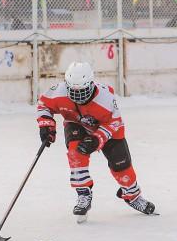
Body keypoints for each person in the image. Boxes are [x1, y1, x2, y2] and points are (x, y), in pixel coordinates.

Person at [36, 62, 156, 221]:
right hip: (76, 124)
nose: (78, 96)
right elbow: (44, 105)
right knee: (75, 153)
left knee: (122, 167)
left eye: (82, 91)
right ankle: (83, 194)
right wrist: (46, 126)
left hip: (107, 129)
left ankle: (132, 196)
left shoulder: (105, 98)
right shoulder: (58, 92)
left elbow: (114, 122)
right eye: (73, 91)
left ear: (91, 84)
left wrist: (97, 138)